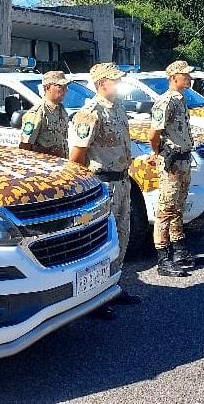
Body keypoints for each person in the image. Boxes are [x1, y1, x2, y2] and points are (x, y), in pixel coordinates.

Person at [69, 63, 141, 316]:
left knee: (122, 234)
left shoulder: (118, 108)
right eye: (115, 80)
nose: (120, 84)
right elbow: (77, 157)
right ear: (101, 84)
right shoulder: (90, 113)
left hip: (122, 181)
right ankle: (96, 296)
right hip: (103, 183)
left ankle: (114, 285)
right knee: (102, 241)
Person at [148, 60, 199, 277]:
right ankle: (162, 259)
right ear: (174, 77)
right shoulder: (166, 101)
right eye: (185, 75)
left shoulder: (181, 99)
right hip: (172, 162)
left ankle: (179, 251)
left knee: (178, 206)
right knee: (165, 210)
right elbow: (153, 134)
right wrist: (160, 153)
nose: (189, 78)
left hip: (184, 160)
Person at [19, 71, 70, 158]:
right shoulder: (37, 113)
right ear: (48, 87)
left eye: (66, 87)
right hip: (46, 167)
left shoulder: (61, 110)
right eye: (60, 86)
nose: (65, 90)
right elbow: (25, 146)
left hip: (60, 165)